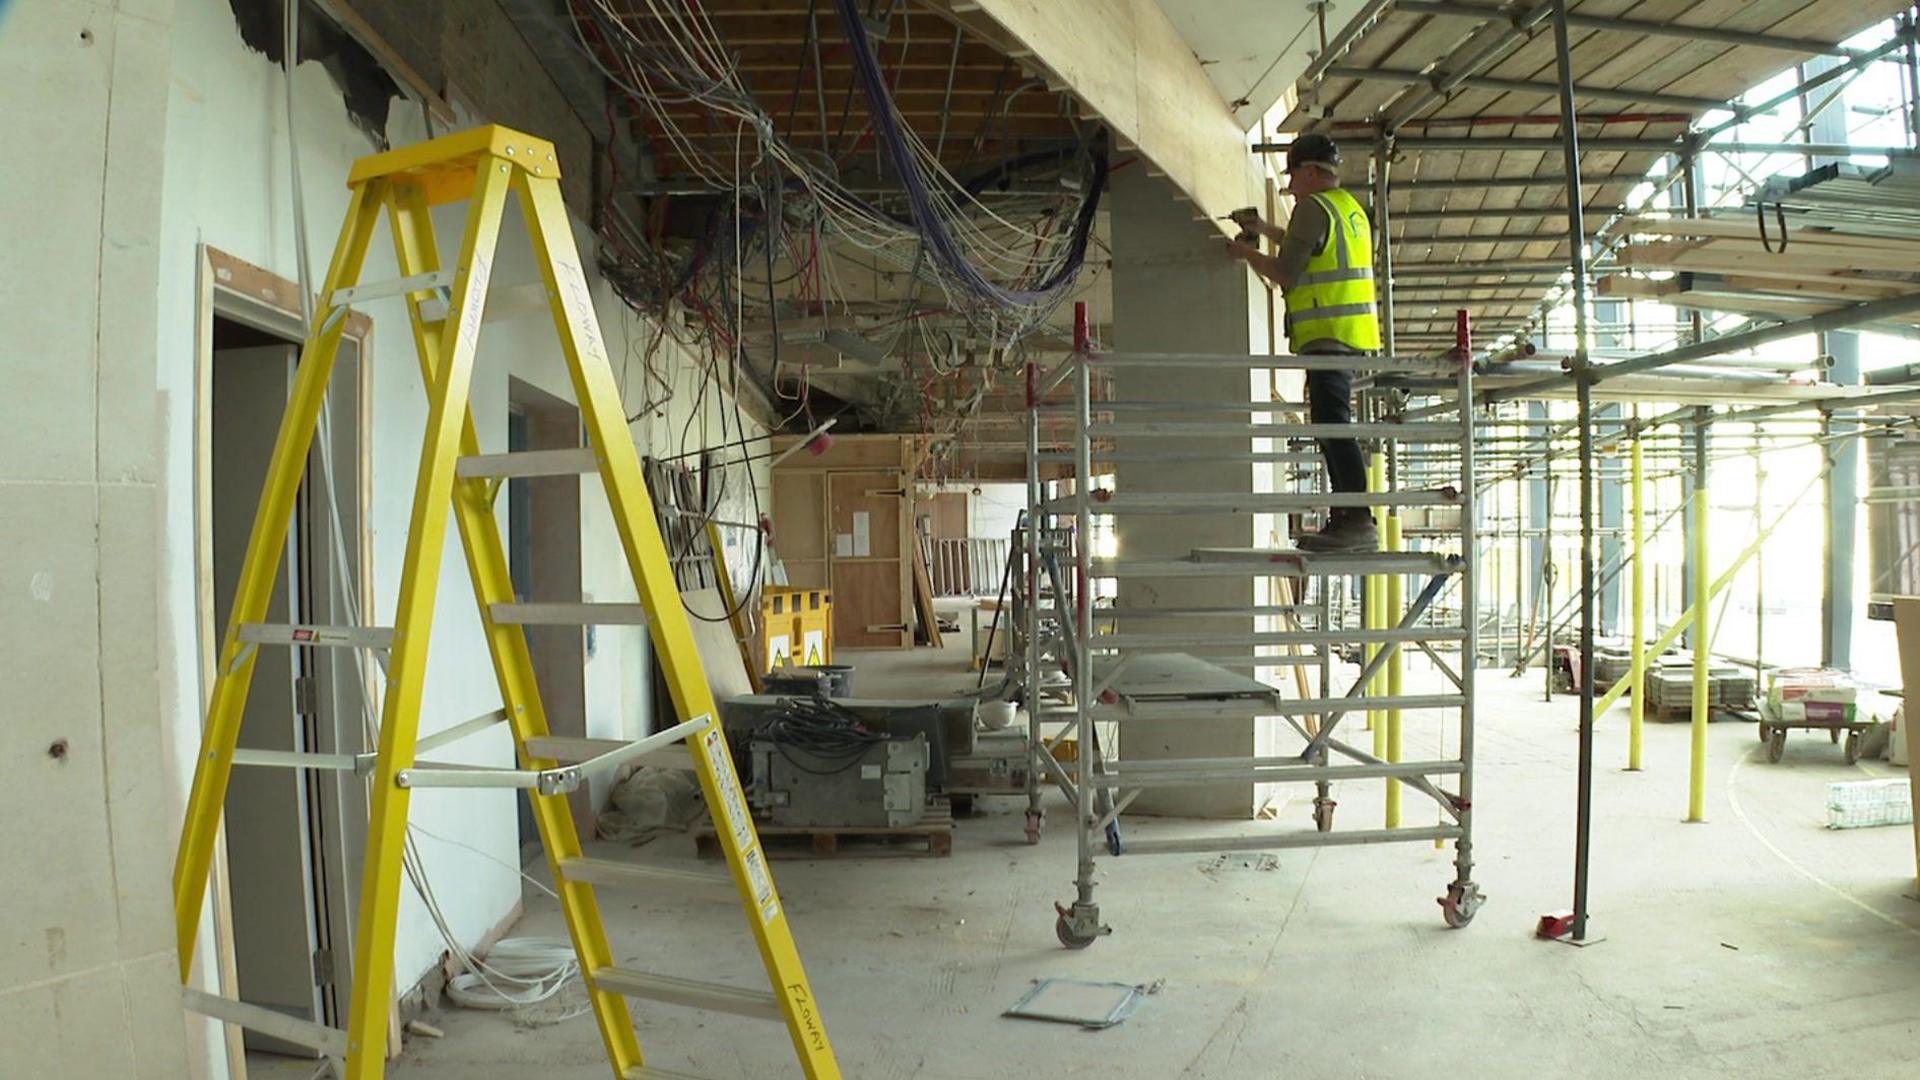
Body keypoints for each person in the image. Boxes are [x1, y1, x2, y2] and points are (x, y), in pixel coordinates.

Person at [1226, 133, 1382, 553]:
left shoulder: (1311, 208)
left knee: (1333, 425)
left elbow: (1286, 273)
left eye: (1294, 176)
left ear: (1311, 171)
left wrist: (1241, 252)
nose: (1291, 187)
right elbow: (1313, 249)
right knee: (1330, 424)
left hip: (1327, 332)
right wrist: (1264, 230)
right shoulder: (1350, 210)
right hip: (1350, 333)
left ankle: (1357, 520)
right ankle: (1348, 516)